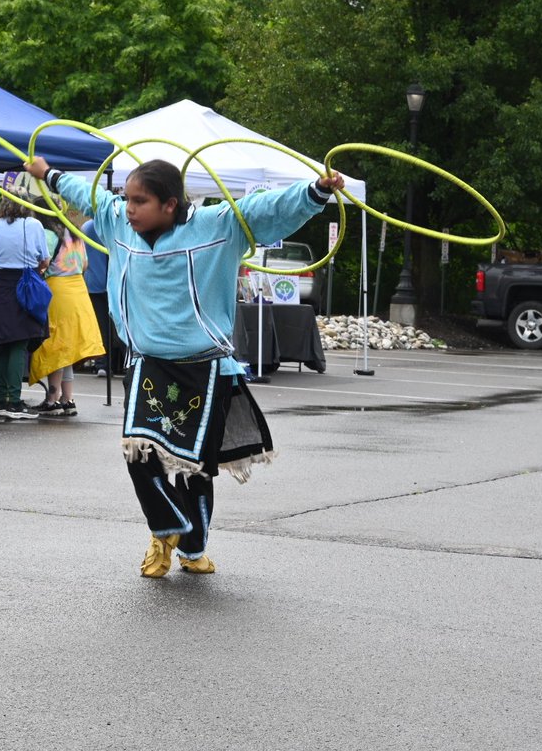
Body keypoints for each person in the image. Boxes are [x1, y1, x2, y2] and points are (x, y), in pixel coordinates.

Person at [24, 155, 343, 578]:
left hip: (205, 366)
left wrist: (316, 192)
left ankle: (192, 549)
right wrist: (48, 174)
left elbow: (268, 209)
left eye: (141, 201)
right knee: (138, 452)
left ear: (170, 204)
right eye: (128, 199)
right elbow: (91, 195)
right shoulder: (119, 219)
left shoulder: (217, 225)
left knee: (195, 469)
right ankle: (166, 531)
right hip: (148, 362)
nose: (129, 208)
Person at [27, 200, 105, 418]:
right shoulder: (75, 233)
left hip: (58, 291)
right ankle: (67, 399)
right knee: (68, 350)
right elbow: (86, 264)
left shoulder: (48, 235)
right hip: (79, 290)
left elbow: (43, 262)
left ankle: (52, 399)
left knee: (56, 347)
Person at [0, 191, 50, 420]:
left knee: (2, 343)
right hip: (24, 285)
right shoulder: (34, 225)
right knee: (19, 344)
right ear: (27, 205)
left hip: (0, 285)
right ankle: (14, 402)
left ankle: (0, 399)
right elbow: (44, 259)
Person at [81, 217, 127, 376]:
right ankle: (127, 361)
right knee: (119, 324)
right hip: (114, 282)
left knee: (101, 327)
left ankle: (102, 364)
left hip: (94, 283)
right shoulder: (112, 225)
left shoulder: (86, 227)